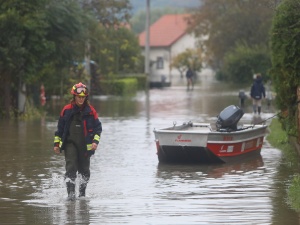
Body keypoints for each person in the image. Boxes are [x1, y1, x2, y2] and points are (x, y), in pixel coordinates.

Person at [53, 82, 102, 200]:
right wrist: (56, 144)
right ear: (74, 96)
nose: (81, 99)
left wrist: (95, 142)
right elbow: (59, 129)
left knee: (84, 170)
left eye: (83, 97)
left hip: (86, 146)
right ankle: (70, 195)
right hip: (70, 143)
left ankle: (82, 195)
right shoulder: (66, 110)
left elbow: (98, 128)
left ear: (86, 98)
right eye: (79, 97)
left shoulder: (91, 111)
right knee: (71, 167)